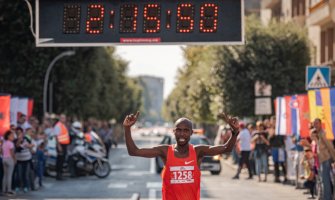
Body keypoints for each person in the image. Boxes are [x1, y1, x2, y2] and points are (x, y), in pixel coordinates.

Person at [123, 111, 239, 200]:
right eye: (178, 130)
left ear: (191, 133)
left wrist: (234, 133)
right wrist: (127, 128)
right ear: (174, 132)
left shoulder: (198, 151)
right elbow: (134, 151)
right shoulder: (165, 151)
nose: (182, 134)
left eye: (185, 130)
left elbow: (226, 148)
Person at [313, 118, 335, 200]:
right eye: (314, 124)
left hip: (326, 159)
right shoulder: (317, 134)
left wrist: (334, 158)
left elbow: (330, 147)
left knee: (326, 181)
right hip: (322, 160)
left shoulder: (324, 133)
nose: (315, 125)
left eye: (317, 123)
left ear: (321, 124)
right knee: (324, 180)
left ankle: (327, 198)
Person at [52, 114, 70, 180]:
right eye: (62, 118)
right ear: (60, 118)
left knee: (62, 160)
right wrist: (58, 145)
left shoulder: (63, 125)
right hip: (60, 145)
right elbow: (56, 136)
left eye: (64, 118)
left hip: (64, 145)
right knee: (60, 160)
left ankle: (60, 173)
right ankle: (58, 174)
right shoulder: (58, 126)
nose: (64, 119)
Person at [2, 131, 16, 196]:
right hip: (9, 159)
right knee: (9, 175)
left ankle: (4, 189)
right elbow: (12, 153)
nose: (13, 137)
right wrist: (14, 159)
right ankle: (9, 190)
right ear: (8, 136)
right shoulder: (11, 143)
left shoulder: (4, 143)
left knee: (5, 175)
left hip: (4, 158)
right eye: (11, 136)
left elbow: (2, 151)